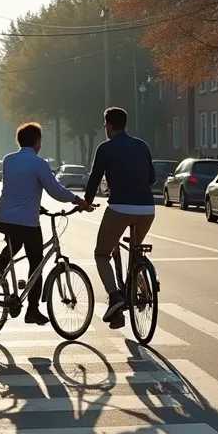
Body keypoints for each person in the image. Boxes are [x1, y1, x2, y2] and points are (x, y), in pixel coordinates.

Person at [0, 122, 91, 325]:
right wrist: (77, 200)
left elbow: (18, 187)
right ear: (37, 142)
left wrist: (35, 205)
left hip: (4, 217)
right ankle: (32, 310)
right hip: (26, 222)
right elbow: (55, 190)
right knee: (36, 264)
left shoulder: (8, 160)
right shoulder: (38, 163)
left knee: (14, 246)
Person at [84, 107, 156, 327]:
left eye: (105, 125)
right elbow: (152, 178)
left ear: (109, 125)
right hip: (147, 209)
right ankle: (142, 286)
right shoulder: (142, 145)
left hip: (120, 208)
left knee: (101, 254)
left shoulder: (105, 148)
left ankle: (115, 297)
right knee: (135, 250)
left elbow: (95, 178)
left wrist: (86, 202)